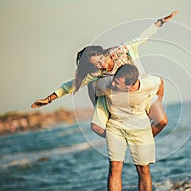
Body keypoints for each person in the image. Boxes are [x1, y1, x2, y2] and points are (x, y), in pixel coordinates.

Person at [31, 11, 177, 130]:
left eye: (100, 60)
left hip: (141, 90)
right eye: (95, 65)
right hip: (125, 100)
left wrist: (160, 22)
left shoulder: (122, 50)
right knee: (99, 88)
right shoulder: (96, 73)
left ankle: (145, 139)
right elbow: (70, 85)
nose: (100, 65)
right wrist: (48, 99)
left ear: (102, 53)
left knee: (162, 121)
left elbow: (141, 37)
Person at [94, 64, 166, 190]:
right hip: (116, 125)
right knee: (114, 167)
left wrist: (156, 103)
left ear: (129, 86)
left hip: (140, 126)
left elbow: (160, 83)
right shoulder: (106, 84)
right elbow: (94, 90)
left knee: (144, 169)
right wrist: (102, 109)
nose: (113, 84)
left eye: (117, 83)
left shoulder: (148, 83)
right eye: (114, 80)